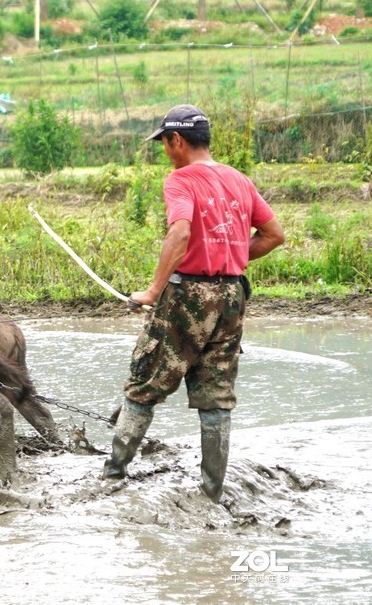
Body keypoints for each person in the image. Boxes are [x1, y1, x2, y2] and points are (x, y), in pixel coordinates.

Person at [103, 104, 285, 503]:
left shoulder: (180, 180)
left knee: (144, 384)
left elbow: (181, 231)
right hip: (232, 297)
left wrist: (152, 291)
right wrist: (230, 252)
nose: (165, 151)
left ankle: (112, 478)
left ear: (177, 140)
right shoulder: (239, 180)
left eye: (165, 143)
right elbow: (273, 235)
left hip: (188, 296)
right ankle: (212, 493)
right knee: (217, 397)